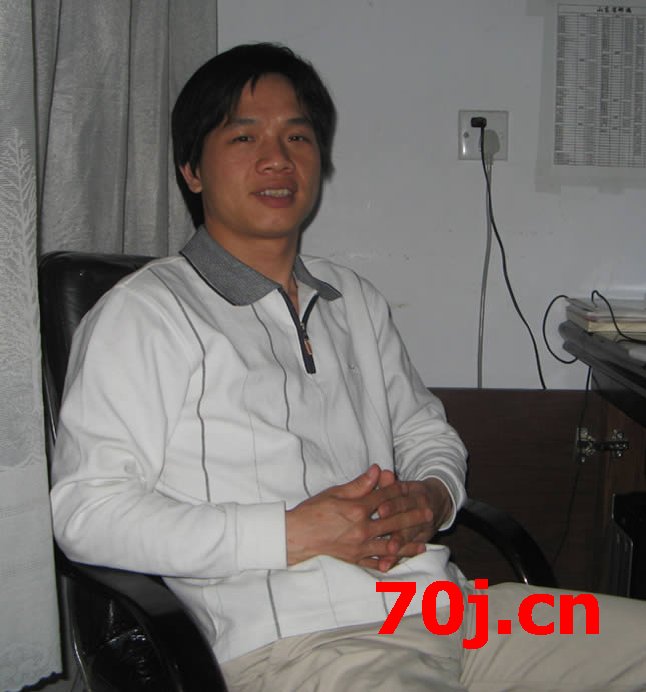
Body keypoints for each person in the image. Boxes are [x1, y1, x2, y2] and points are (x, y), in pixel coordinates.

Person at [51, 43, 646, 691]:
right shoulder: (146, 313)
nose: (277, 159)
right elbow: (87, 512)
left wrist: (433, 495)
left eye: (297, 136)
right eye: (244, 136)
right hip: (305, 645)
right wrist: (289, 533)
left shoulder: (352, 299)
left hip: (450, 612)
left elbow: (426, 434)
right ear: (192, 170)